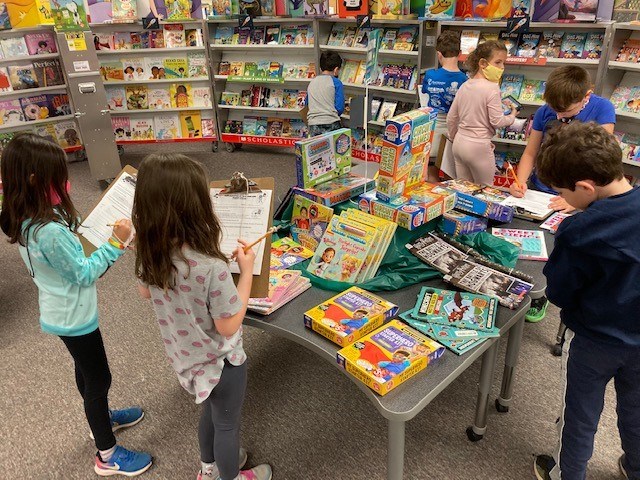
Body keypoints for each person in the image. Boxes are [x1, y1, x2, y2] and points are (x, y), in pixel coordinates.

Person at [0, 134, 152, 477]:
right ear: (36, 179)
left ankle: (98, 416)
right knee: (99, 379)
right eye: (58, 173)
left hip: (61, 311)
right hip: (74, 318)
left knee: (86, 372)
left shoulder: (29, 217)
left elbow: (75, 250)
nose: (66, 180)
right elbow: (83, 273)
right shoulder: (48, 231)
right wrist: (115, 243)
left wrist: (111, 241)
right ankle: (107, 454)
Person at [132, 154, 272, 480]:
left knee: (211, 412)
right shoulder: (212, 267)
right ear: (196, 207)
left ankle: (208, 469)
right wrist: (247, 271)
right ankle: (231, 477)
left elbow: (145, 292)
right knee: (227, 425)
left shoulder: (150, 253)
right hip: (223, 363)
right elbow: (228, 324)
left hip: (186, 360)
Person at [532, 122, 640, 480]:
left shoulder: (580, 229)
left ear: (584, 187)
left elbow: (560, 291)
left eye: (563, 191)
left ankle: (568, 474)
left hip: (595, 339)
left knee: (579, 414)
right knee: (637, 410)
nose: (564, 199)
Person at [508, 66, 616, 323]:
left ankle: (543, 294)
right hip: (542, 190)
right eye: (555, 110)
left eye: (565, 111)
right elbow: (530, 153)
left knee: (559, 246)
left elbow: (599, 162)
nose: (559, 115)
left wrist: (574, 200)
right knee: (529, 246)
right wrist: (519, 182)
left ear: (586, 96)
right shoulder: (547, 111)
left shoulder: (602, 109)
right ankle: (526, 286)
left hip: (578, 195)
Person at [446, 40, 517, 186]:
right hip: (479, 145)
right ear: (483, 63)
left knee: (463, 190)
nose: (502, 67)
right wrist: (512, 116)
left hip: (459, 143)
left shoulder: (465, 85)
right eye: (498, 62)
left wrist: (455, 137)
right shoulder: (492, 88)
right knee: (485, 191)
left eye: (504, 63)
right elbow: (497, 122)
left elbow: (451, 118)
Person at [421, 30, 468, 180]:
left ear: (438, 54)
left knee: (431, 171)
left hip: (432, 128)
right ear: (460, 53)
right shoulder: (465, 80)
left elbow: (424, 92)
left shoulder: (430, 75)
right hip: (454, 131)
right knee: (451, 172)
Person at [306, 51, 345, 137]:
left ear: (320, 68)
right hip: (331, 122)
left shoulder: (312, 83)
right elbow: (340, 107)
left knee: (317, 149)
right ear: (335, 70)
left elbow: (307, 104)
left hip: (313, 124)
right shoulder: (336, 83)